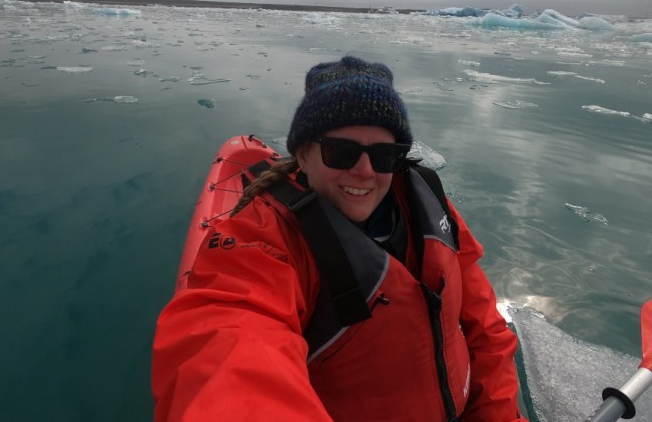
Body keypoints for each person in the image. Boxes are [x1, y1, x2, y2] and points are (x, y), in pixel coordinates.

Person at [152, 55, 528, 422]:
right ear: (302, 153)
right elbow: (226, 349)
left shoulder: (428, 202)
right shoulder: (266, 239)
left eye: (383, 155)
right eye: (341, 152)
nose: (365, 171)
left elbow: (486, 329)